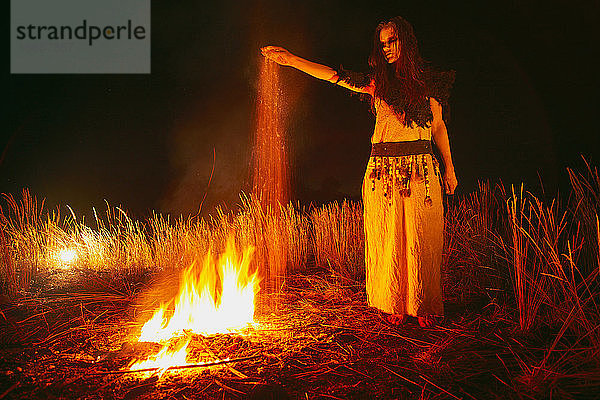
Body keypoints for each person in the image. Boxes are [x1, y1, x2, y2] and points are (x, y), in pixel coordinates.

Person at [261, 16, 457, 328]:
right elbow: (334, 76)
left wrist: (449, 167)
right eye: (383, 44)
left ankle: (423, 304)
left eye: (392, 41)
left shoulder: (429, 85)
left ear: (406, 41)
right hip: (384, 172)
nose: (388, 49)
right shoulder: (378, 83)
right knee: (388, 237)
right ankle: (394, 301)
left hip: (420, 171)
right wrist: (292, 60)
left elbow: (439, 128)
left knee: (421, 236)